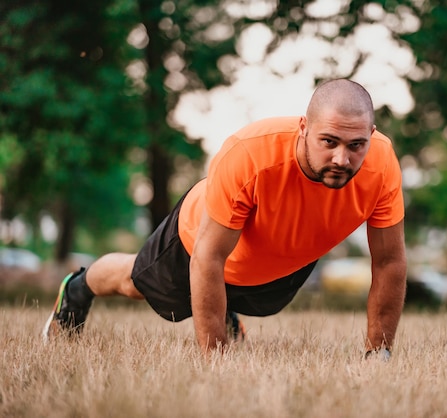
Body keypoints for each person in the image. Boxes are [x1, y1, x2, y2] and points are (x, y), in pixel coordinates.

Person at [43, 79, 407, 358]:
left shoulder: (383, 164)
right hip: (198, 242)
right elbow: (208, 258)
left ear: (370, 137)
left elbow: (389, 261)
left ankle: (225, 306)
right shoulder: (249, 155)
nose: (342, 159)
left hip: (274, 263)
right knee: (137, 284)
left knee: (263, 304)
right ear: (303, 128)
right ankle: (78, 287)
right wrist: (215, 357)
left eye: (355, 145)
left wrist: (381, 355)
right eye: (329, 142)